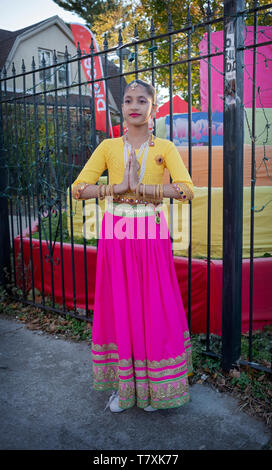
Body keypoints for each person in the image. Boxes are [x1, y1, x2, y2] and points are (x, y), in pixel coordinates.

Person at [72, 79, 194, 413]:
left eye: (142, 100)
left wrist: (143, 190)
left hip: (150, 235)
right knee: (121, 305)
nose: (134, 106)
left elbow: (186, 189)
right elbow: (78, 188)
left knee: (153, 306)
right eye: (128, 100)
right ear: (122, 108)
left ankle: (155, 390)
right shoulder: (108, 148)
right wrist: (119, 186)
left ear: (153, 108)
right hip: (116, 235)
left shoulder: (164, 148)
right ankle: (125, 391)